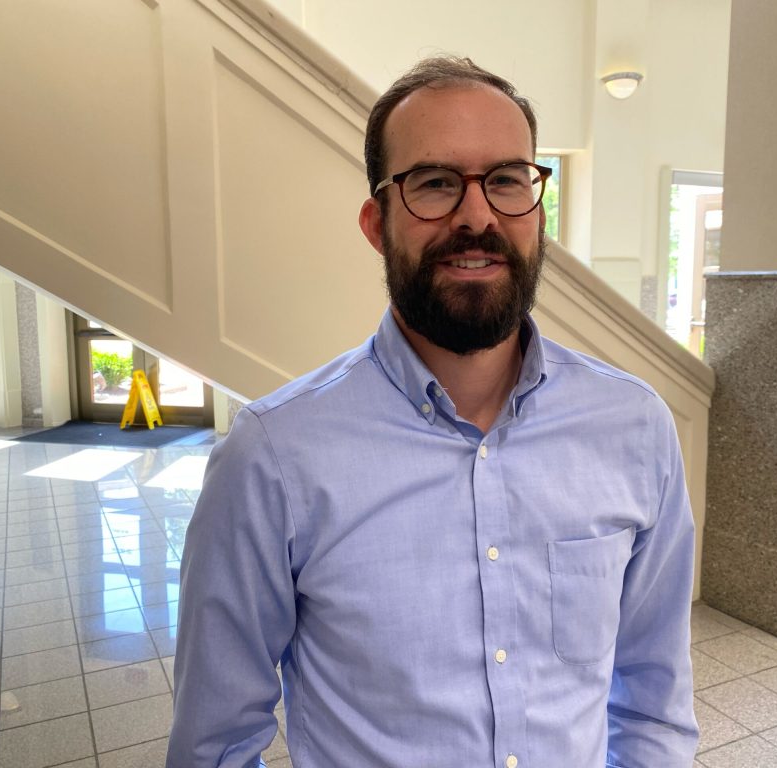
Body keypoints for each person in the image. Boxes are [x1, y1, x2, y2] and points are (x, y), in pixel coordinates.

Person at [167, 56, 699, 768]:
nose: (477, 216)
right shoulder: (273, 456)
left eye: (507, 180)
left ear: (538, 212)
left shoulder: (634, 428)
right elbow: (214, 745)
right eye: (435, 183)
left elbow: (654, 699)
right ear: (377, 223)